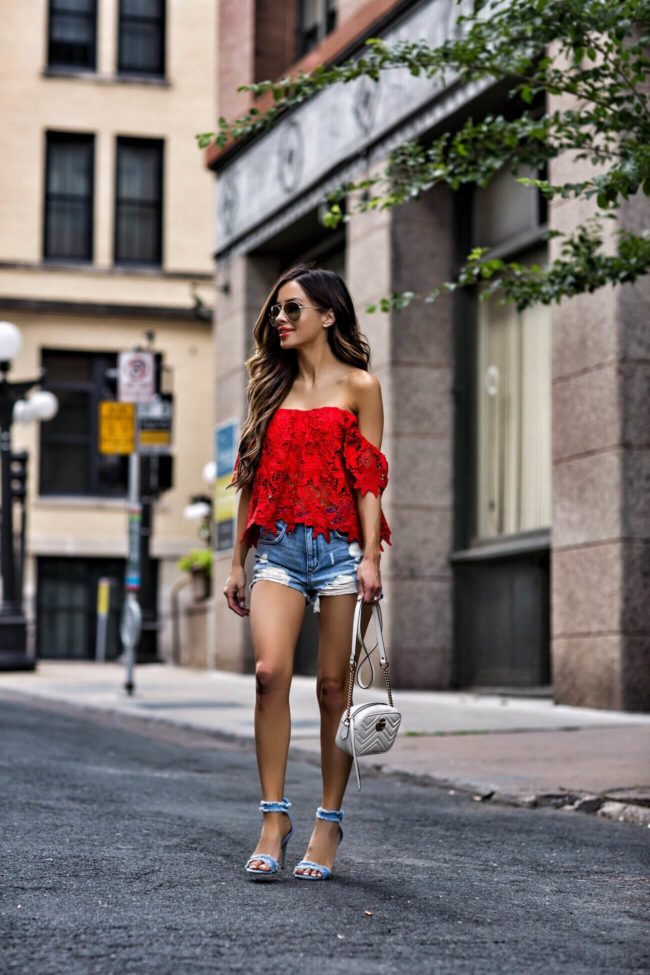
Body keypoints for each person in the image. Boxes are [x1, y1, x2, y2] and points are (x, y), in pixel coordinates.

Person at [223, 262, 392, 881]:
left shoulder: (360, 387)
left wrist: (372, 556)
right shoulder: (269, 388)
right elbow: (249, 478)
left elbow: (369, 480)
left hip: (342, 552)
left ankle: (328, 820)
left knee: (332, 691)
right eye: (276, 310)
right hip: (278, 550)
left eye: (293, 309)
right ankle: (274, 817)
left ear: (329, 315)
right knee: (269, 674)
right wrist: (238, 560)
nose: (281, 319)